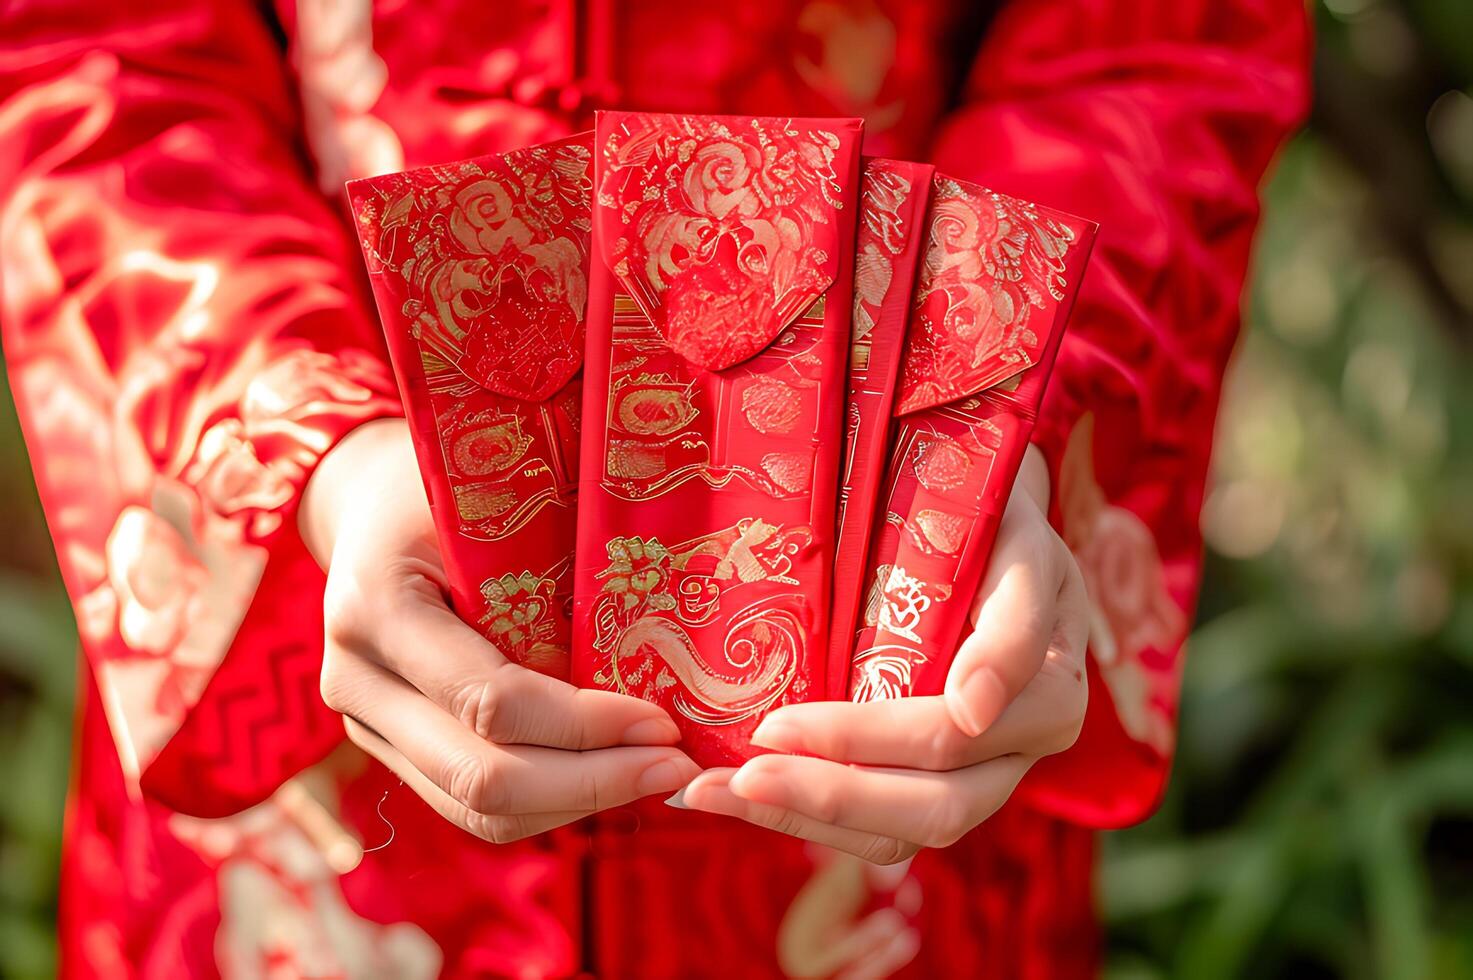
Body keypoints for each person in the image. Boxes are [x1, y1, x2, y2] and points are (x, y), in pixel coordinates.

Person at [0, 1, 1310, 976]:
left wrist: (984, 421)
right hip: (339, 704)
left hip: (893, 661)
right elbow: (87, 52)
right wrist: (306, 440)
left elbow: (1152, 47)